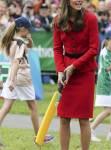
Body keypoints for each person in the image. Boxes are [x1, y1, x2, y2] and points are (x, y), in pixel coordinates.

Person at [53, 0, 99, 149]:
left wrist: (73, 66)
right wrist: (60, 70)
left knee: (83, 119)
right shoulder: (58, 20)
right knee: (64, 118)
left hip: (85, 72)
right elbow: (57, 48)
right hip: (66, 72)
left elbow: (93, 49)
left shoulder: (90, 18)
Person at [0, 16, 53, 144]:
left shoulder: (11, 41)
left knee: (6, 107)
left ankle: (40, 136)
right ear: (22, 29)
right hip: (22, 78)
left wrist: (11, 80)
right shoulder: (20, 43)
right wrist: (13, 80)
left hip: (12, 78)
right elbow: (16, 62)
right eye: (29, 29)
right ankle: (40, 136)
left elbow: (28, 47)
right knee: (33, 107)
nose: (30, 31)